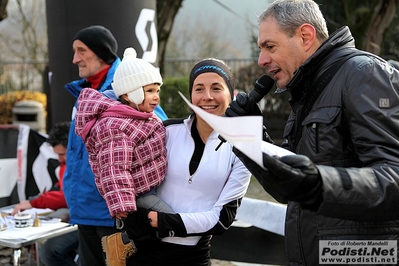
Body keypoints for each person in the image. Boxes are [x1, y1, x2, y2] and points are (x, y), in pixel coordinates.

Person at [225, 0, 399, 265]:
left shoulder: (363, 74)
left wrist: (320, 182)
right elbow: (291, 186)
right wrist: (249, 137)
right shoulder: (307, 89)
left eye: (270, 47)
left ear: (305, 36)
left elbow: (394, 175)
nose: (261, 60)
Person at [125, 58, 251, 266]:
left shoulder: (241, 148)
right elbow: (128, 174)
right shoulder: (164, 131)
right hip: (142, 250)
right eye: (199, 88)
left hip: (193, 257)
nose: (207, 97)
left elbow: (221, 219)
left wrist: (159, 221)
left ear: (231, 94)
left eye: (216, 88)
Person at [62, 25, 168, 266]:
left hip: (117, 211)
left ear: (101, 53)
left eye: (81, 51)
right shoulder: (85, 95)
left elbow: (155, 129)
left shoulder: (132, 86)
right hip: (86, 209)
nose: (75, 58)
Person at [11, 121, 79, 266]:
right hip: (78, 220)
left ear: (72, 147)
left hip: (87, 222)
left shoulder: (81, 163)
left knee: (49, 251)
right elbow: (60, 190)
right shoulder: (64, 165)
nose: (60, 159)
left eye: (62, 154)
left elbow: (67, 196)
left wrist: (33, 202)